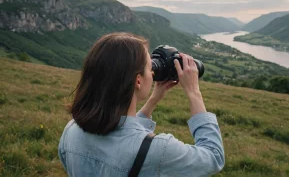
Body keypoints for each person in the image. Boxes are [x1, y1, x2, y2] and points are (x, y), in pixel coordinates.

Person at [58, 32, 225, 176]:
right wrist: (193, 92)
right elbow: (213, 157)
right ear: (138, 80)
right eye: (149, 67)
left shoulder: (72, 130)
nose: (153, 73)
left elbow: (124, 134)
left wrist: (153, 100)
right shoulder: (158, 151)